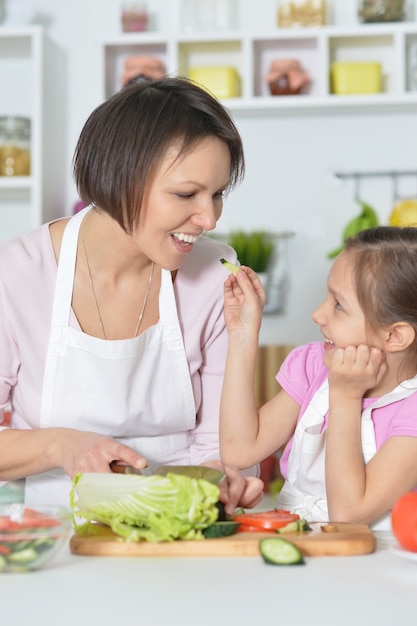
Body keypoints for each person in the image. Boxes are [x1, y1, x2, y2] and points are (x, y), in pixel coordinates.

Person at [0, 76, 263, 513]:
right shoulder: (18, 273)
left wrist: (225, 481)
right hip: (57, 533)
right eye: (186, 194)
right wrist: (61, 446)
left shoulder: (215, 274)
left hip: (183, 531)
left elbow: (221, 446)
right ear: (119, 179)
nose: (209, 218)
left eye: (217, 194)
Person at [220, 226, 417, 529]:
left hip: (370, 561)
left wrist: (346, 396)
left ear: (394, 336)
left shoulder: (412, 410)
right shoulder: (315, 364)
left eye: (339, 305)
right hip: (297, 539)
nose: (317, 314)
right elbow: (239, 450)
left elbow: (348, 514)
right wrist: (243, 334)